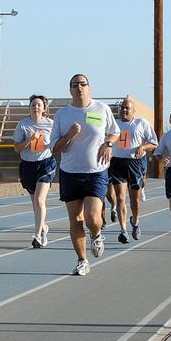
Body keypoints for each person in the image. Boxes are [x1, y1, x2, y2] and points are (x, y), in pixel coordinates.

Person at [50, 74, 119, 276]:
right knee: (75, 219)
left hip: (96, 172)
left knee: (92, 217)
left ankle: (97, 233)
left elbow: (113, 132)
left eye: (82, 84)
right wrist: (70, 135)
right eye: (75, 85)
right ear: (70, 90)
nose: (79, 87)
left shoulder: (101, 109)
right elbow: (55, 148)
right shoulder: (62, 115)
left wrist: (108, 144)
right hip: (70, 173)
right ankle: (82, 260)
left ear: (89, 87)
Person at [109, 97, 158, 243]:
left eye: (127, 108)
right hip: (117, 162)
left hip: (134, 163)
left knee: (134, 200)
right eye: (122, 108)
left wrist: (142, 147)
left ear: (133, 111)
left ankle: (135, 222)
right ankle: (123, 230)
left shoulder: (141, 123)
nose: (124, 110)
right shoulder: (114, 124)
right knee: (120, 198)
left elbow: (154, 143)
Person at [12, 94, 56, 248]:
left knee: (39, 200)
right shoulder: (23, 125)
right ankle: (43, 228)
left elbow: (58, 142)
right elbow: (17, 148)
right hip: (28, 166)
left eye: (39, 105)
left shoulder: (51, 124)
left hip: (45, 164)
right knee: (35, 204)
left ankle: (37, 236)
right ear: (29, 107)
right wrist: (30, 139)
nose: (36, 107)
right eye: (33, 105)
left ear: (44, 108)